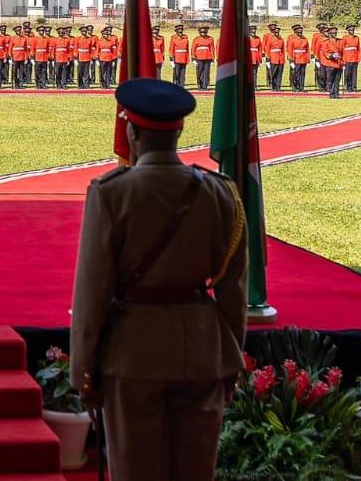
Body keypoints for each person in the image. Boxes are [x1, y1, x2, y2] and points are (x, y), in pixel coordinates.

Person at [70, 78, 247, 481]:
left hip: (134, 353)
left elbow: (92, 291)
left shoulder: (111, 193)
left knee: (136, 470)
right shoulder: (221, 193)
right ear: (180, 130)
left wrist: (83, 370)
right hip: (203, 348)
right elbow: (233, 289)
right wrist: (232, 357)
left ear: (131, 131)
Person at [318, 24, 345, 99]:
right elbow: (325, 52)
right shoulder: (325, 42)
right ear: (329, 34)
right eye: (333, 33)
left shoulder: (340, 41)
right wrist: (332, 55)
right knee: (331, 79)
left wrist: (344, 62)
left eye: (335, 33)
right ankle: (331, 93)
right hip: (331, 63)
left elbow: (343, 52)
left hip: (339, 63)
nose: (335, 34)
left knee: (337, 79)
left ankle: (336, 93)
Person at [286, 23, 310, 92]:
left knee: (302, 74)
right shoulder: (292, 39)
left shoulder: (305, 39)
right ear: (295, 32)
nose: (300, 32)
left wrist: (308, 59)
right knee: (296, 74)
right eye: (299, 31)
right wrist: (291, 60)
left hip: (303, 58)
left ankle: (301, 87)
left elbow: (307, 49)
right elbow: (290, 50)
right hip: (296, 58)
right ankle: (295, 87)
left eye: (301, 31)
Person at [263, 23, 286, 91]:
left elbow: (283, 50)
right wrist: (267, 56)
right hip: (273, 58)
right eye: (275, 32)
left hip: (280, 58)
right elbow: (266, 47)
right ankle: (272, 86)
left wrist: (283, 58)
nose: (276, 33)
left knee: (279, 73)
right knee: (272, 73)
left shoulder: (281, 39)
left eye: (277, 32)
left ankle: (278, 87)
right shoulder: (269, 38)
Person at [191, 25, 216, 90]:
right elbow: (193, 49)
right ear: (199, 32)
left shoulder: (210, 39)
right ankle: (200, 85)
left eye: (204, 32)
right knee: (199, 72)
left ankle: (205, 85)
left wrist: (212, 59)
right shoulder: (196, 39)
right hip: (199, 57)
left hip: (208, 57)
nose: (203, 34)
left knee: (206, 72)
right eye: (202, 32)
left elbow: (212, 49)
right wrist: (193, 59)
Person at [340, 24, 361, 93]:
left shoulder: (357, 38)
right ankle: (347, 86)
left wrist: (359, 58)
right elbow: (342, 48)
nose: (351, 31)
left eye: (352, 30)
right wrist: (343, 59)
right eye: (350, 30)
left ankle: (354, 87)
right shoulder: (344, 38)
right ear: (348, 31)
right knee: (347, 74)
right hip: (347, 58)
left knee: (354, 74)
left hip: (355, 58)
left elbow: (358, 48)